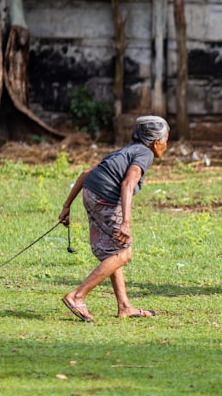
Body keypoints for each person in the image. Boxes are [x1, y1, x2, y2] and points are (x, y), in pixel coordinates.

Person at [58, 115, 170, 321]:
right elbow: (127, 184)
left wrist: (67, 206)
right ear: (156, 142)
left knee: (114, 252)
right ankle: (77, 295)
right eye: (166, 139)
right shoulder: (145, 153)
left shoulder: (125, 151)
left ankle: (125, 306)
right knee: (124, 253)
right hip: (105, 199)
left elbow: (86, 173)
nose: (166, 144)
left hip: (90, 193)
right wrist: (125, 223)